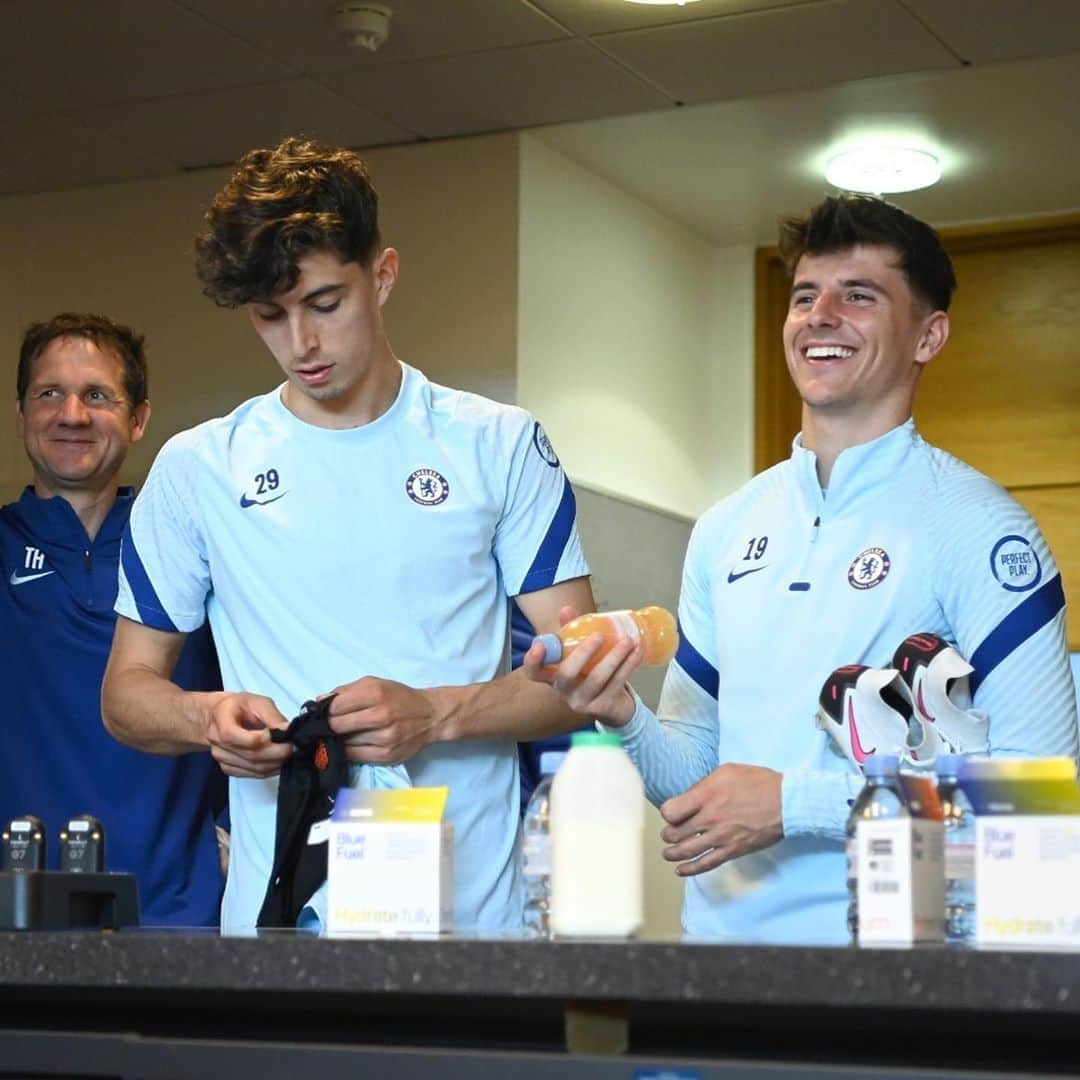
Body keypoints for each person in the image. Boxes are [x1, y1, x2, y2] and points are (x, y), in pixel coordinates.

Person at [525, 195, 1078, 944]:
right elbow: (698, 784)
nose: (821, 315)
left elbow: (1039, 786)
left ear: (929, 334)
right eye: (805, 295)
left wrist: (796, 803)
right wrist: (620, 712)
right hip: (723, 966)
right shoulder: (724, 531)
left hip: (905, 977)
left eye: (859, 295)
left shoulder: (979, 528)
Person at [101, 137, 593, 934]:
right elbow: (126, 693)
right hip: (285, 926)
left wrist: (437, 714)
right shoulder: (198, 468)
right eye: (271, 316)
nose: (302, 344)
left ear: (383, 275)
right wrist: (208, 718)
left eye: (324, 304)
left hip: (473, 926)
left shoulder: (495, 444)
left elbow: (582, 676)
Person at [0, 313, 224, 925]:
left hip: (179, 914)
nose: (72, 414)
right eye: (50, 393)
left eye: (97, 395)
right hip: (18, 917)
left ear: (138, 417)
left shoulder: (194, 551)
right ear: (21, 414)